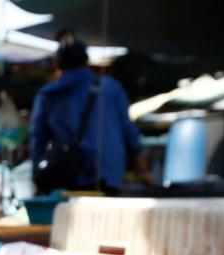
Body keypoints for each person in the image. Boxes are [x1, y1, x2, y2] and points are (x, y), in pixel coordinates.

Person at [29, 34, 152, 193]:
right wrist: (144, 171)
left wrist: (38, 179)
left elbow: (38, 139)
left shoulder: (48, 95)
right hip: (108, 174)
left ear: (58, 65)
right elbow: (129, 131)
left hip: (67, 176)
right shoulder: (110, 87)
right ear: (86, 61)